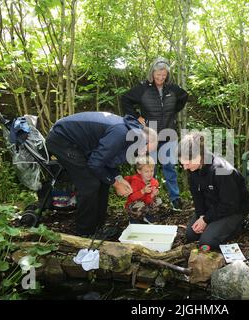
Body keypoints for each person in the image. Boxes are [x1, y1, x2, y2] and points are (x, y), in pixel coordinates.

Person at [46, 111, 158, 237]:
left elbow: (107, 162)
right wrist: (115, 183)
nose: (143, 153)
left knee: (103, 181)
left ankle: (98, 227)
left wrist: (118, 178)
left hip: (81, 146)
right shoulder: (121, 134)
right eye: (145, 148)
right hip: (62, 139)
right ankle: (85, 232)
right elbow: (95, 163)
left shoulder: (131, 134)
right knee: (90, 184)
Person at [121, 57, 189, 211]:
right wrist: (136, 116)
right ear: (152, 73)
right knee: (149, 169)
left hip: (168, 133)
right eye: (157, 75)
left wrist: (172, 111)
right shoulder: (143, 88)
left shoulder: (172, 88)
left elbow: (184, 96)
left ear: (167, 75)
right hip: (149, 134)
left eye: (163, 76)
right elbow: (125, 99)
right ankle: (149, 199)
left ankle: (175, 199)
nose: (160, 78)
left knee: (169, 167)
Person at [179, 133, 249, 250]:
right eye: (182, 163)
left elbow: (229, 204)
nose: (185, 167)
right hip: (210, 208)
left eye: (187, 162)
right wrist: (201, 215)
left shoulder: (221, 170)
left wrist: (206, 220)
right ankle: (213, 227)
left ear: (200, 155)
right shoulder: (193, 168)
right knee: (191, 236)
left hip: (232, 210)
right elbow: (197, 196)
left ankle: (240, 225)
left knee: (207, 243)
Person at [124, 155, 162, 224]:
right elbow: (132, 197)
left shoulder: (154, 182)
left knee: (158, 201)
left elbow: (148, 200)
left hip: (145, 205)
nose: (150, 174)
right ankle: (133, 218)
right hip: (134, 205)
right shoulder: (135, 181)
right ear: (139, 171)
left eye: (152, 171)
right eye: (146, 171)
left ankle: (147, 216)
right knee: (140, 204)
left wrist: (152, 195)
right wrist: (143, 191)